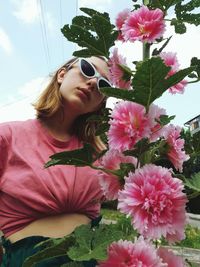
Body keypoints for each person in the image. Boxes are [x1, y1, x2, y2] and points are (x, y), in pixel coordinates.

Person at [0, 56, 112, 266]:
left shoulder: (101, 156)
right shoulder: (7, 136)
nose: (92, 83)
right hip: (30, 259)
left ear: (100, 103)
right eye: (87, 69)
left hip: (89, 257)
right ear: (62, 74)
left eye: (103, 84)